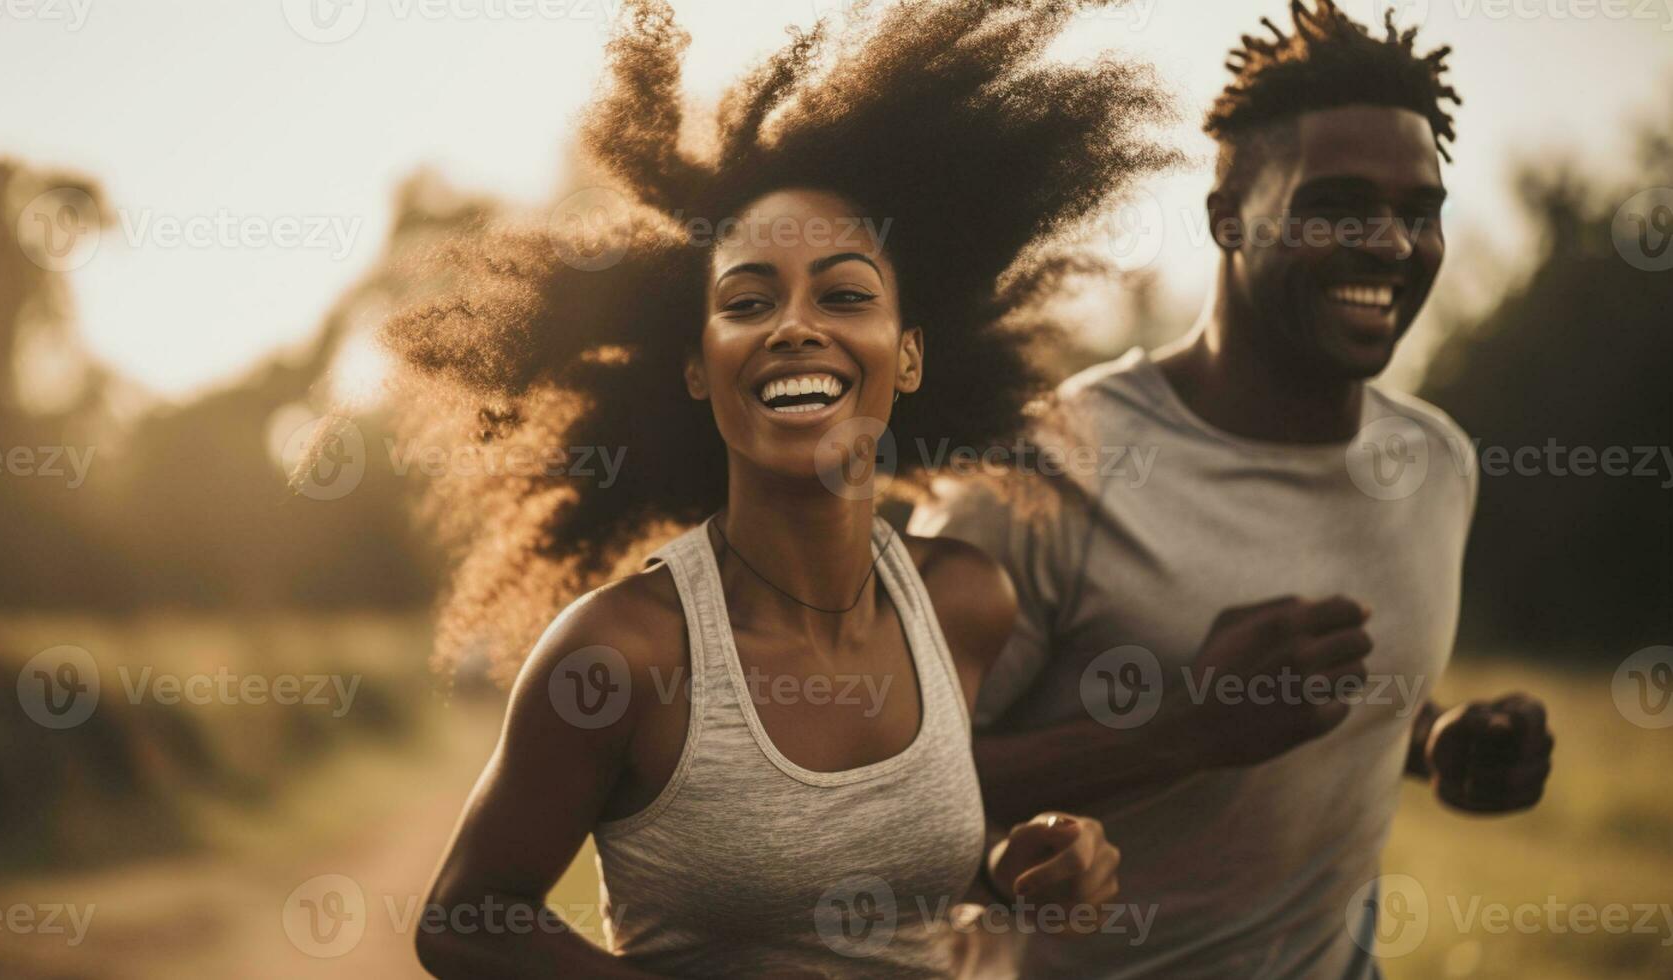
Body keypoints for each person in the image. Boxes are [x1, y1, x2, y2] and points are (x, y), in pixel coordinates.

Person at [384, 1, 1174, 975]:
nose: (796, 326)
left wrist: (1023, 865)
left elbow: (879, 868)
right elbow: (463, 919)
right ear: (696, 363)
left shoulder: (966, 600)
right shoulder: (623, 650)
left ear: (911, 354)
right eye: (749, 301)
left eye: (844, 294)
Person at [911, 2, 1555, 977]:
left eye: (1419, 212)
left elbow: (1337, 713)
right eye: (1336, 203)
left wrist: (1437, 737)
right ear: (1227, 216)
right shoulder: (1044, 465)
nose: (1388, 243)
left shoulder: (1435, 463)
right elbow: (877, 787)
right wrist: (1186, 731)